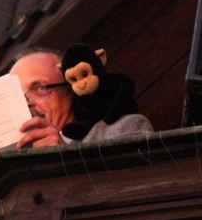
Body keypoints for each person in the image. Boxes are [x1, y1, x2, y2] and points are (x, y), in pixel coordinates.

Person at [11, 47, 153, 149]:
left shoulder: (125, 127)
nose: (26, 103)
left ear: (71, 90)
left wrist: (62, 156)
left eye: (40, 88)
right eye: (16, 95)